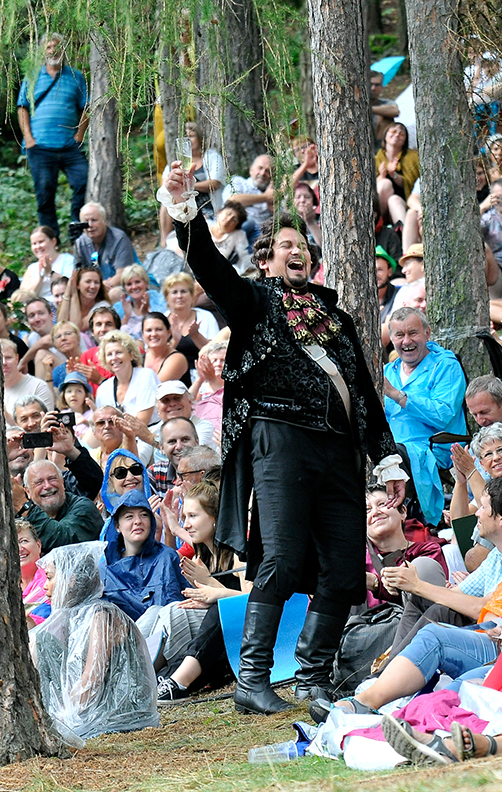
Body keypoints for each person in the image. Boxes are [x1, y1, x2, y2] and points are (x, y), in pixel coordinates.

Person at [158, 167, 405, 716]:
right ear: (268, 261)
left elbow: (363, 390)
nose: (295, 251)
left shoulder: (336, 319)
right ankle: (252, 678)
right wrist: (186, 211)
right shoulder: (255, 302)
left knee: (343, 569)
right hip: (280, 439)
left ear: (311, 261)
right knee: (285, 559)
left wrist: (385, 456)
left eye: (302, 246)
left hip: (339, 449)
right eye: (284, 245)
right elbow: (211, 270)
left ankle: (314, 679)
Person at [312, 475, 502, 721]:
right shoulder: (500, 555)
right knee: (436, 610)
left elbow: (485, 608)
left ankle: (373, 694)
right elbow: (457, 596)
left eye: (484, 507)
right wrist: (411, 587)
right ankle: (378, 686)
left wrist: (417, 584)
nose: (477, 514)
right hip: (490, 637)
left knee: (435, 627)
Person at [30, 540, 159, 743]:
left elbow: (93, 677)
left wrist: (64, 716)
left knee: (42, 640)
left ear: (70, 579)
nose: (45, 586)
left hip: (122, 712)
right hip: (92, 708)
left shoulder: (102, 614)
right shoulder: (75, 615)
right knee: (41, 640)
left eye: (50, 577)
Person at [153, 480, 245, 704]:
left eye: (193, 516)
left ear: (215, 517)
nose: (186, 525)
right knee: (160, 612)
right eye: (184, 518)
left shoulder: (238, 550)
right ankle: (163, 681)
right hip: (222, 644)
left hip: (250, 637)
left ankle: (179, 682)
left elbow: (255, 600)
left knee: (218, 609)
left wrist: (215, 592)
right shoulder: (203, 554)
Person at [383, 307, 468, 528]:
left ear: (427, 333)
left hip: (433, 449)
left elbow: (443, 414)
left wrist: (397, 396)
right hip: (394, 449)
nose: (406, 341)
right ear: (391, 338)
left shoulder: (446, 366)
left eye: (413, 333)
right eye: (400, 335)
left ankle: (398, 525)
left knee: (393, 455)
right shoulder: (387, 371)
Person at [16, 33, 88, 238]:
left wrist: (79, 136)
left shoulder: (75, 76)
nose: (53, 51)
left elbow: (86, 108)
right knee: (45, 194)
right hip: (40, 147)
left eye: (57, 47)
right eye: (48, 47)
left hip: (69, 146)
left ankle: (77, 232)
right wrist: (29, 139)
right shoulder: (32, 76)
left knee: (83, 181)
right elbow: (22, 108)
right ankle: (52, 240)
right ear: (42, 51)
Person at [100, 490, 188, 620]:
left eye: (144, 515)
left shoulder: (166, 557)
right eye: (129, 516)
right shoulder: (106, 569)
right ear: (117, 526)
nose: (138, 521)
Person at [18, 460, 104, 552]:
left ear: (62, 482)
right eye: (39, 482)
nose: (47, 486)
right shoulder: (20, 518)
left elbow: (64, 540)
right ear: (27, 491)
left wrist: (23, 505)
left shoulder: (85, 507)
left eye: (52, 479)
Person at [95, 330, 160, 426]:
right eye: (109, 354)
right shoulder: (103, 389)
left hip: (149, 435)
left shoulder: (146, 376)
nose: (114, 358)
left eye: (118, 352)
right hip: (118, 438)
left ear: (131, 355)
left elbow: (141, 423)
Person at [162, 271, 220, 373]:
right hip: (170, 374)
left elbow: (216, 351)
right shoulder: (161, 320)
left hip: (201, 373)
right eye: (174, 292)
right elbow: (158, 355)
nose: (179, 296)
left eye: (184, 291)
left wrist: (196, 335)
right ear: (167, 297)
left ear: (192, 294)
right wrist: (174, 340)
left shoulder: (206, 317)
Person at [73, 202, 137, 287]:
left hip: (129, 284)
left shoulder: (119, 238)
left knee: (113, 294)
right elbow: (77, 276)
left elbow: (123, 275)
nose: (90, 225)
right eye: (86, 222)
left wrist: (99, 288)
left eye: (94, 220)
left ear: (105, 221)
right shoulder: (80, 243)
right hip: (97, 287)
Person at [221, 154, 274, 243]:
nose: (262, 173)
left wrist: (273, 208)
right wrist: (265, 197)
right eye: (260, 168)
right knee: (249, 222)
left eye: (268, 171)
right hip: (236, 229)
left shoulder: (272, 193)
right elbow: (232, 201)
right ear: (251, 170)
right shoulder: (238, 182)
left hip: (261, 236)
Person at [375, 123, 420, 225]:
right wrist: (382, 175)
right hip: (381, 206)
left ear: (405, 140)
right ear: (385, 135)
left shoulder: (412, 157)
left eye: (401, 134)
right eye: (393, 131)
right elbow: (371, 186)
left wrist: (393, 175)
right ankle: (376, 221)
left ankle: (402, 233)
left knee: (393, 200)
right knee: (384, 183)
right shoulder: (377, 158)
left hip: (403, 201)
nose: (397, 135)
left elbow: (412, 183)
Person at [2, 339, 54, 424]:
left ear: (17, 358)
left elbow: (46, 426)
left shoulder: (38, 386)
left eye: (8, 358)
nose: (4, 363)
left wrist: (7, 416)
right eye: (0, 358)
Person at [20, 226, 76, 299]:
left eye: (41, 242)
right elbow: (22, 297)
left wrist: (50, 272)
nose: (38, 247)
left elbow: (71, 286)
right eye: (34, 244)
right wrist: (40, 277)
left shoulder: (68, 260)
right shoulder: (32, 268)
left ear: (53, 241)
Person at [57, 266, 109, 335]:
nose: (93, 286)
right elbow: (60, 326)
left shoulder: (103, 306)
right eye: (88, 282)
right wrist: (68, 292)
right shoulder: (68, 304)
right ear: (78, 285)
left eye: (96, 282)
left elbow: (77, 328)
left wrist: (74, 293)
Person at [142, 312, 190, 386]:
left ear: (168, 332)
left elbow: (154, 388)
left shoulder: (177, 359)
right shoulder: (140, 358)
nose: (153, 334)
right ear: (143, 334)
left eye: (159, 329)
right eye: (149, 330)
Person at [18, 520, 49, 628]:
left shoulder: (51, 580)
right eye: (13, 543)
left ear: (38, 545)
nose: (20, 549)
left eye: (24, 541)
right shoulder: (3, 584)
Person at [208, 201, 251, 274]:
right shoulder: (205, 225)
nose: (228, 220)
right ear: (220, 212)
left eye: (234, 219)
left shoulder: (238, 235)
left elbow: (243, 257)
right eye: (228, 214)